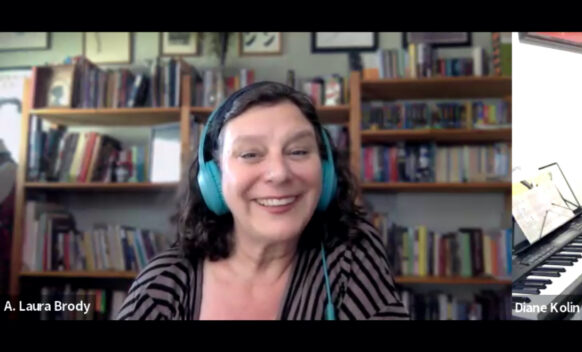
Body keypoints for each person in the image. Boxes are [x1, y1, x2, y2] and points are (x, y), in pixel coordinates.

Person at [117, 82, 408, 320]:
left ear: (326, 170)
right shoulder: (161, 288)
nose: (279, 174)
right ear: (214, 179)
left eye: (298, 151)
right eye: (250, 154)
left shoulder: (350, 254)